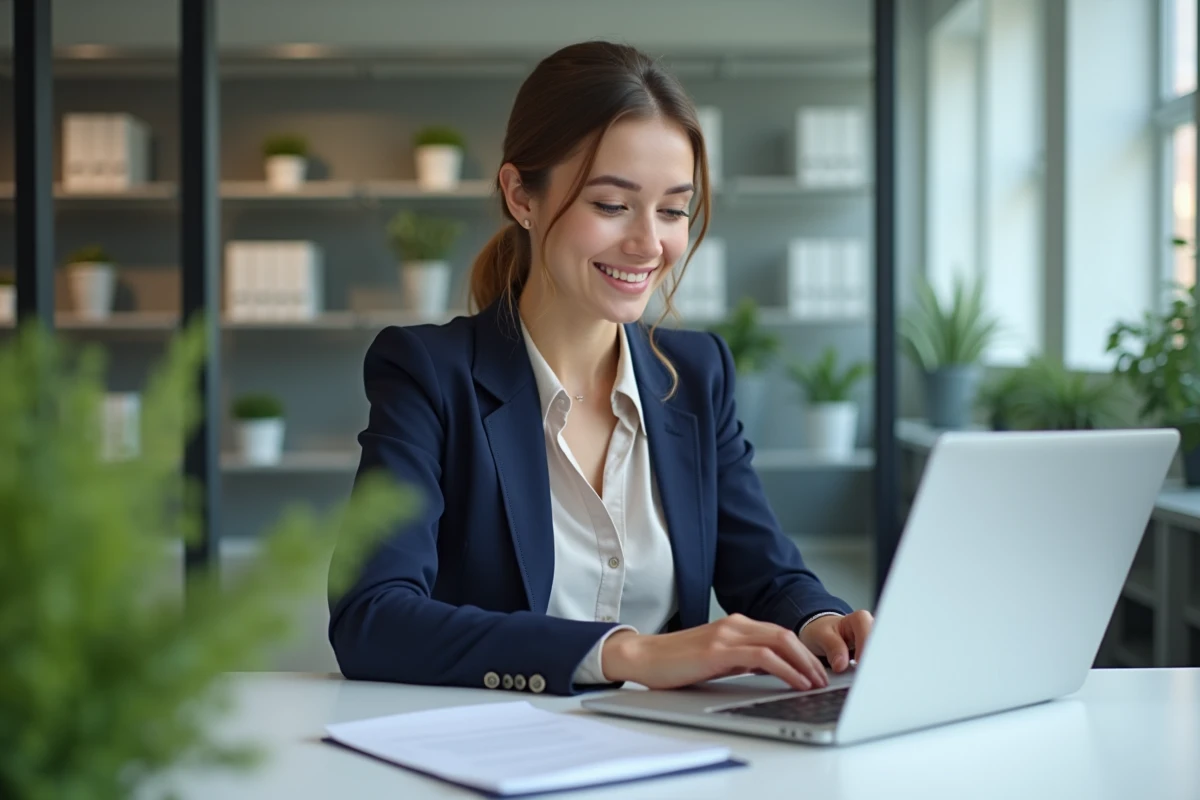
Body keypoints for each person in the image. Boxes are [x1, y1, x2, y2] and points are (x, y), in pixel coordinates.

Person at [328, 40, 874, 697]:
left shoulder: (696, 375)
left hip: (673, 753)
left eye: (673, 209)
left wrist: (820, 621)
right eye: (612, 205)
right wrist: (624, 654)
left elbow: (766, 573)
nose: (650, 243)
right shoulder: (428, 373)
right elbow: (372, 617)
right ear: (519, 195)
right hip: (490, 756)